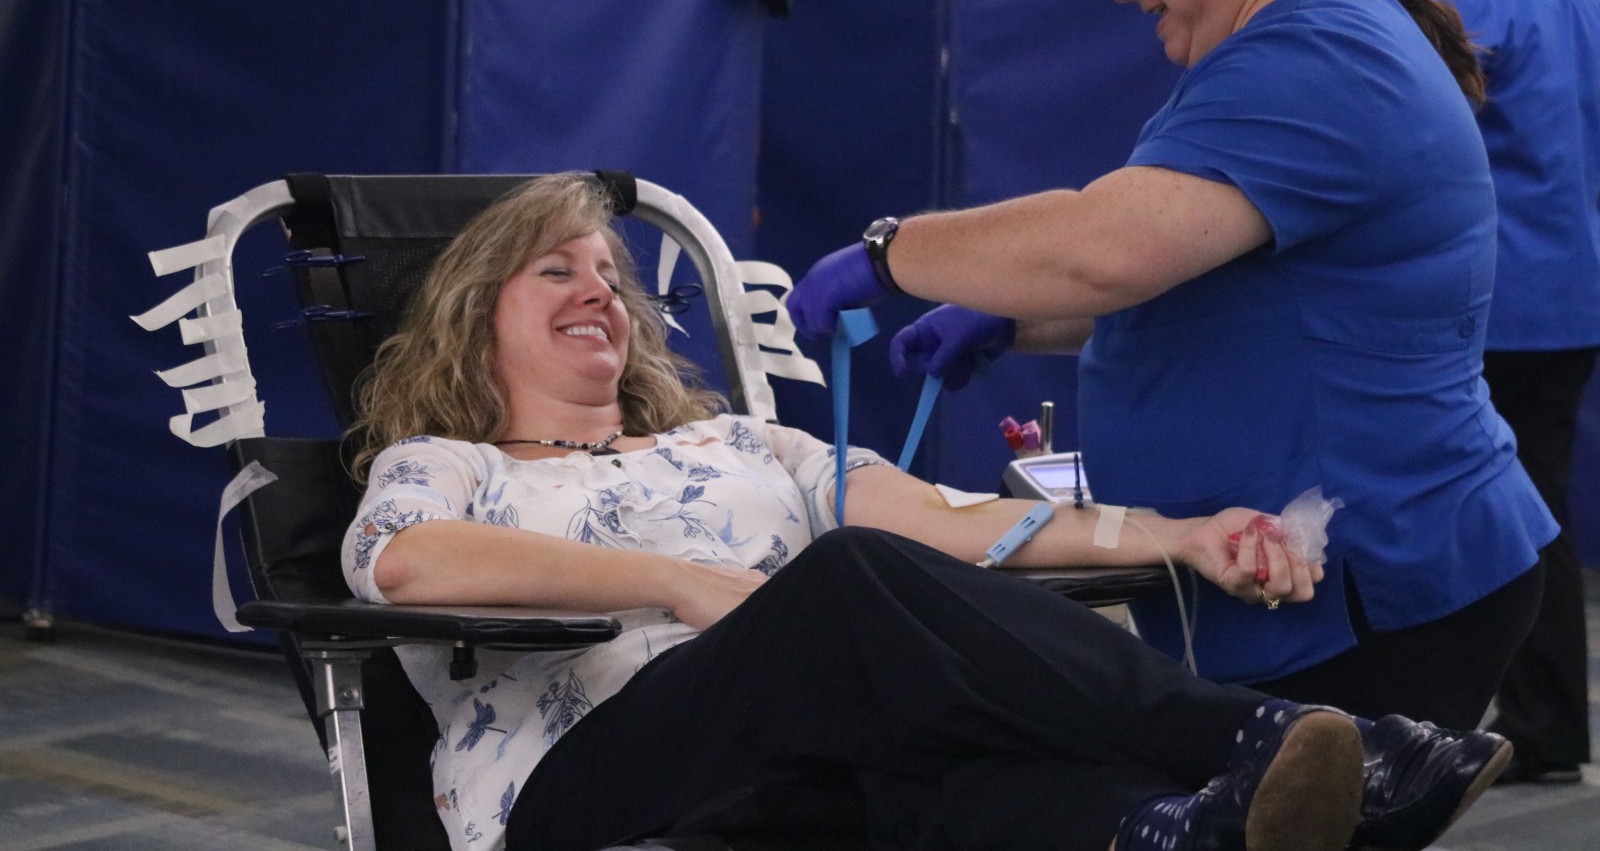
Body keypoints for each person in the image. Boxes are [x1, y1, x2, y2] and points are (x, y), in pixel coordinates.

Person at [341, 172, 1506, 851]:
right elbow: (403, 564)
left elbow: (955, 525)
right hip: (580, 780)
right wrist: (681, 582)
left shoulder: (744, 442)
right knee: (843, 578)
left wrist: (1177, 533)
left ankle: (1182, 822)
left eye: (613, 276)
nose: (600, 289)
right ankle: (1262, 733)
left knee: (952, 763)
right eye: (557, 270)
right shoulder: (450, 463)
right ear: (470, 310)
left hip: (794, 771)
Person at [785, 0, 1557, 737]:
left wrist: (894, 253)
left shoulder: (1315, 62)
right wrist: (1012, 316)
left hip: (1371, 575)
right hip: (1350, 561)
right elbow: (1215, 273)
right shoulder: (1297, 47)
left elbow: (1107, 248)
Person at [1433, 0, 1600, 784]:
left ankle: (1515, 719)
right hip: (1574, 300)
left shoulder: (1469, 13)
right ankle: (1538, 717)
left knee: (1499, 508)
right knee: (1538, 503)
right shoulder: (1583, 6)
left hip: (1501, 306)